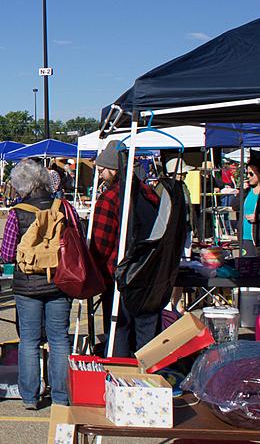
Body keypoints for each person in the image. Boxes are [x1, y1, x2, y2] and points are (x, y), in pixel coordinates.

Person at [0, 159, 75, 409]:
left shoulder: (17, 212)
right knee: (59, 339)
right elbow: (77, 240)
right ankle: (61, 396)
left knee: (29, 341)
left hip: (28, 284)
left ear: (23, 186)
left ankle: (30, 396)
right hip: (59, 280)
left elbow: (7, 253)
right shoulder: (63, 207)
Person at [89, 140, 162, 357]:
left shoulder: (110, 198)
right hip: (149, 272)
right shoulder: (149, 193)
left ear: (113, 168)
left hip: (120, 274)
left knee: (118, 331)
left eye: (102, 170)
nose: (100, 175)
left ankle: (120, 382)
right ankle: (149, 382)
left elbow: (100, 244)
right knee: (148, 340)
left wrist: (94, 272)